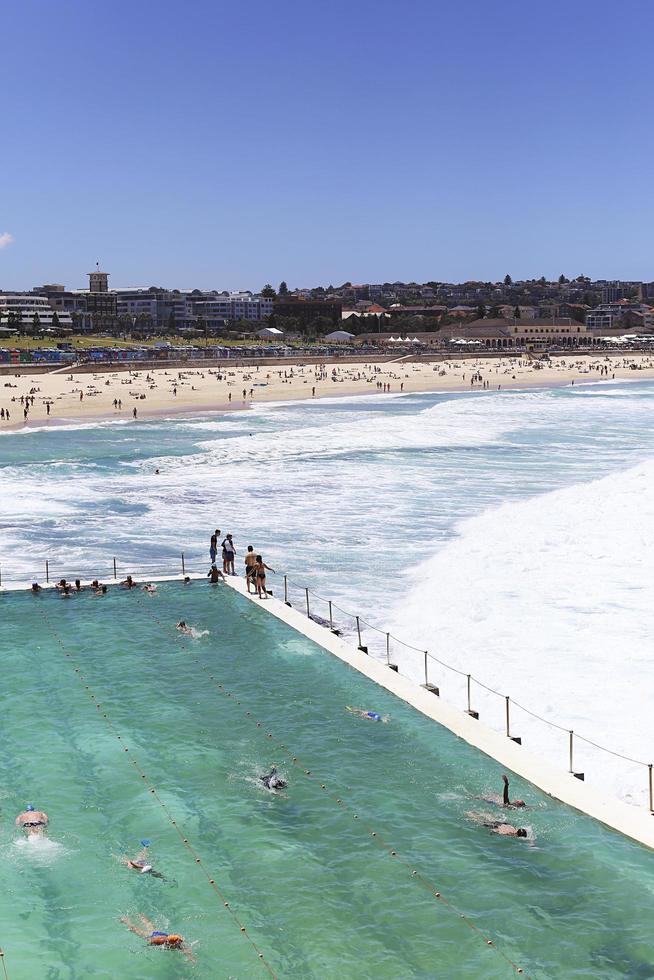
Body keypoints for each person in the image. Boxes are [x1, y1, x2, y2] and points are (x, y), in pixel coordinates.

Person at [120, 915, 195, 962]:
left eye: (180, 942)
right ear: (172, 943)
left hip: (162, 935)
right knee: (136, 930)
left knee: (151, 927)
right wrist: (147, 946)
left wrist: (190, 957)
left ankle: (141, 916)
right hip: (154, 937)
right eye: (178, 942)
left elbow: (185, 950)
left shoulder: (177, 943)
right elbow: (151, 942)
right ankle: (126, 920)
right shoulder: (160, 941)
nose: (180, 943)